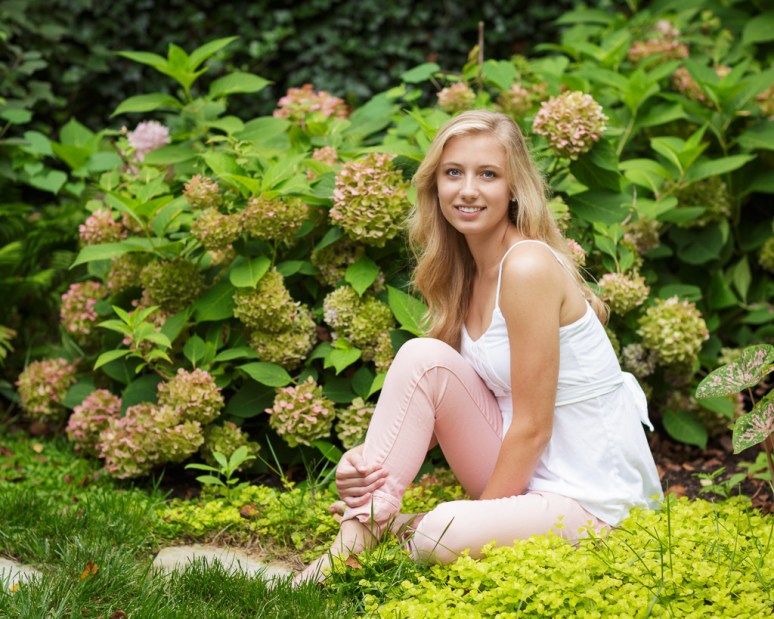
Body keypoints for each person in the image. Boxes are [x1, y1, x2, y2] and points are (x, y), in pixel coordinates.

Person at [295, 109, 663, 584]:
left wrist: (477, 522)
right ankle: (349, 546)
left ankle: (404, 529)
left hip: (593, 498)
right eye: (454, 173)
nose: (467, 189)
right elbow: (423, 403)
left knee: (441, 533)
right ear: (436, 185)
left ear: (513, 188)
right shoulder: (463, 275)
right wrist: (365, 467)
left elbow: (533, 427)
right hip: (527, 477)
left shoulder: (527, 266)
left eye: (487, 174)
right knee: (421, 357)